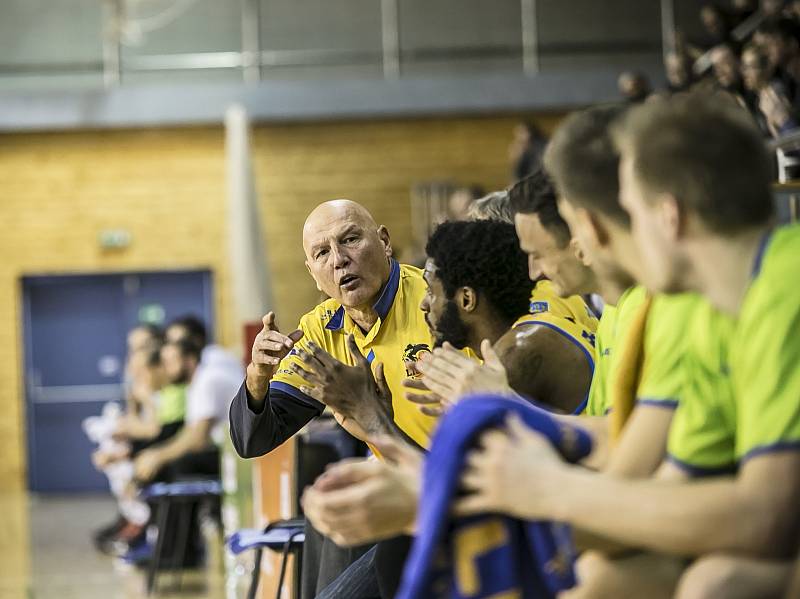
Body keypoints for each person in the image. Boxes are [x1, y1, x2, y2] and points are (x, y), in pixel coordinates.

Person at [454, 94, 800, 598]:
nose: (606, 238)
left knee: (713, 584)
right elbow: (669, 489)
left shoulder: (782, 287)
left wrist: (544, 491)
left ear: (667, 215)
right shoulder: (706, 306)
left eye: (629, 215)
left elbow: (764, 516)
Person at [228, 199, 434, 598]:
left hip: (447, 491)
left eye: (351, 239)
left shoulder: (432, 301)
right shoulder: (322, 329)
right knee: (327, 512)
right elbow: (253, 439)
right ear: (313, 273)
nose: (339, 260)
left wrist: (371, 415)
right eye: (322, 253)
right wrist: (257, 376)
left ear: (385, 241)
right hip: (396, 487)